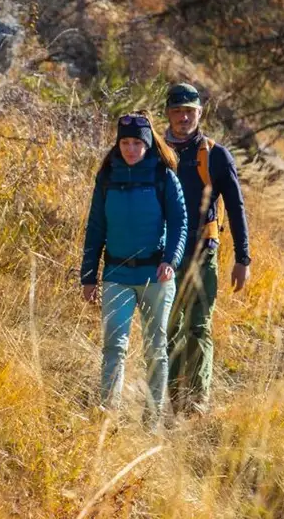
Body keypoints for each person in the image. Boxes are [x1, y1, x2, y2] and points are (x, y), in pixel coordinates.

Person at [80, 111, 188, 425]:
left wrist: (171, 260)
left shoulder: (162, 175)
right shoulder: (108, 175)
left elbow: (180, 222)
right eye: (125, 142)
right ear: (118, 143)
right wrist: (89, 275)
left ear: (147, 143)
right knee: (114, 344)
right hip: (116, 274)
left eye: (136, 143)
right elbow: (96, 226)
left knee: (155, 349)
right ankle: (107, 417)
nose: (130, 149)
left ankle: (152, 421)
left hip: (156, 275)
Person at [162, 82, 252, 416]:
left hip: (203, 252)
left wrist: (243, 258)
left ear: (200, 113)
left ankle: (196, 401)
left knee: (197, 325)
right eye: (176, 111)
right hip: (165, 254)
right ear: (168, 114)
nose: (183, 117)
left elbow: (236, 206)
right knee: (168, 326)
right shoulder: (153, 151)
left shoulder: (216, 155)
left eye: (189, 111)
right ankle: (173, 399)